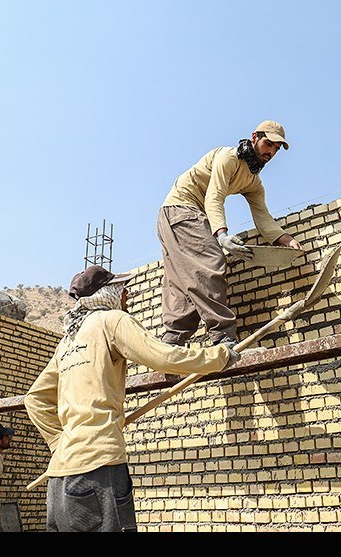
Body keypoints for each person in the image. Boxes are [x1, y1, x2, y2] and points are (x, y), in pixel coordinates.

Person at [24, 264, 241, 532]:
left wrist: (60, 443)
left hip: (59, 481)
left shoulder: (67, 341)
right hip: (98, 470)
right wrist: (219, 356)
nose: (127, 296)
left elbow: (34, 398)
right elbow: (164, 358)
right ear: (108, 294)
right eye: (122, 290)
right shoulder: (111, 320)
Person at [157, 119, 303, 347]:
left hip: (174, 217)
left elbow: (263, 217)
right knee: (211, 262)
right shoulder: (228, 158)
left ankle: (172, 344)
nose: (271, 152)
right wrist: (222, 235)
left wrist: (286, 239)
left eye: (276, 149)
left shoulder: (253, 182)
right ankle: (223, 335)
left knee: (181, 282)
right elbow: (214, 195)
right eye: (268, 144)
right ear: (254, 137)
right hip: (182, 209)